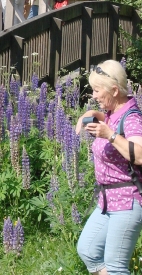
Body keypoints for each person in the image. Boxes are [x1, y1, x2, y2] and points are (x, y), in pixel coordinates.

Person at [75, 60, 142, 275]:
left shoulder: (132, 118)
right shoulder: (115, 112)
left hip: (127, 200)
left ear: (114, 90)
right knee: (88, 250)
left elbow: (140, 154)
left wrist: (109, 135)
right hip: (107, 200)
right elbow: (114, 123)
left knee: (115, 267)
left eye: (97, 90)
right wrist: (94, 114)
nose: (93, 95)